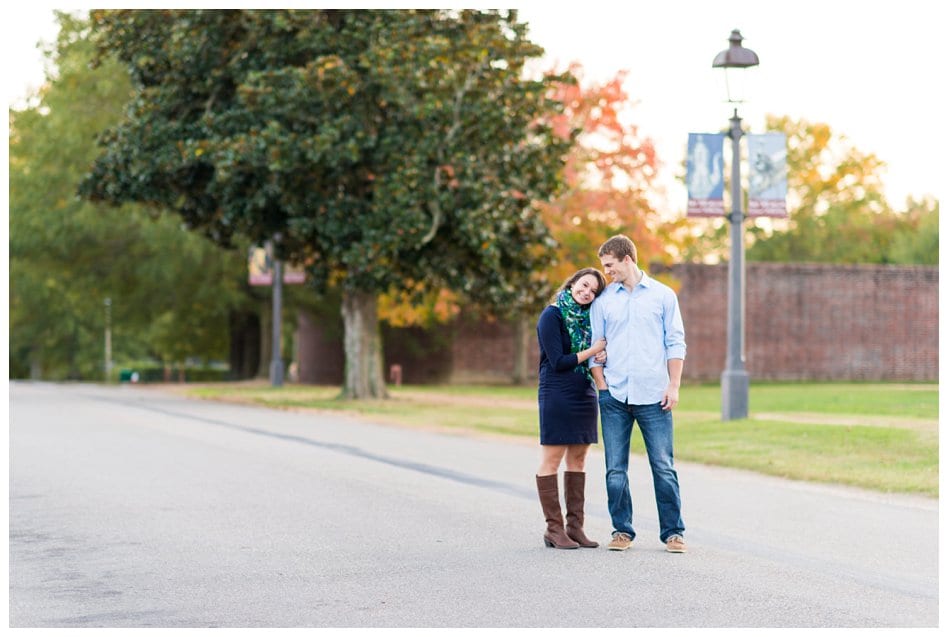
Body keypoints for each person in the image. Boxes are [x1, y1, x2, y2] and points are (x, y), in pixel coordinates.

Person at [589, 235, 688, 553]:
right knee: (615, 469)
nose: (606, 273)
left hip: (654, 396)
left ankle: (673, 533)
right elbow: (596, 347)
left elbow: (675, 342)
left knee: (663, 466)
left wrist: (673, 385)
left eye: (610, 265)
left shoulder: (663, 296)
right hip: (615, 396)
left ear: (627, 259)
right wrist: (603, 387)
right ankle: (622, 531)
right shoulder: (604, 302)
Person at [535, 267, 608, 550]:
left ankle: (575, 527)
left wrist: (602, 352)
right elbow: (559, 361)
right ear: (573, 282)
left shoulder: (589, 319)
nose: (586, 292)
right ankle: (554, 529)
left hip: (583, 393)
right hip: (556, 393)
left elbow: (596, 354)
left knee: (578, 461)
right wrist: (593, 350)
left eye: (593, 291)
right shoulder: (551, 315)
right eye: (584, 285)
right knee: (552, 460)